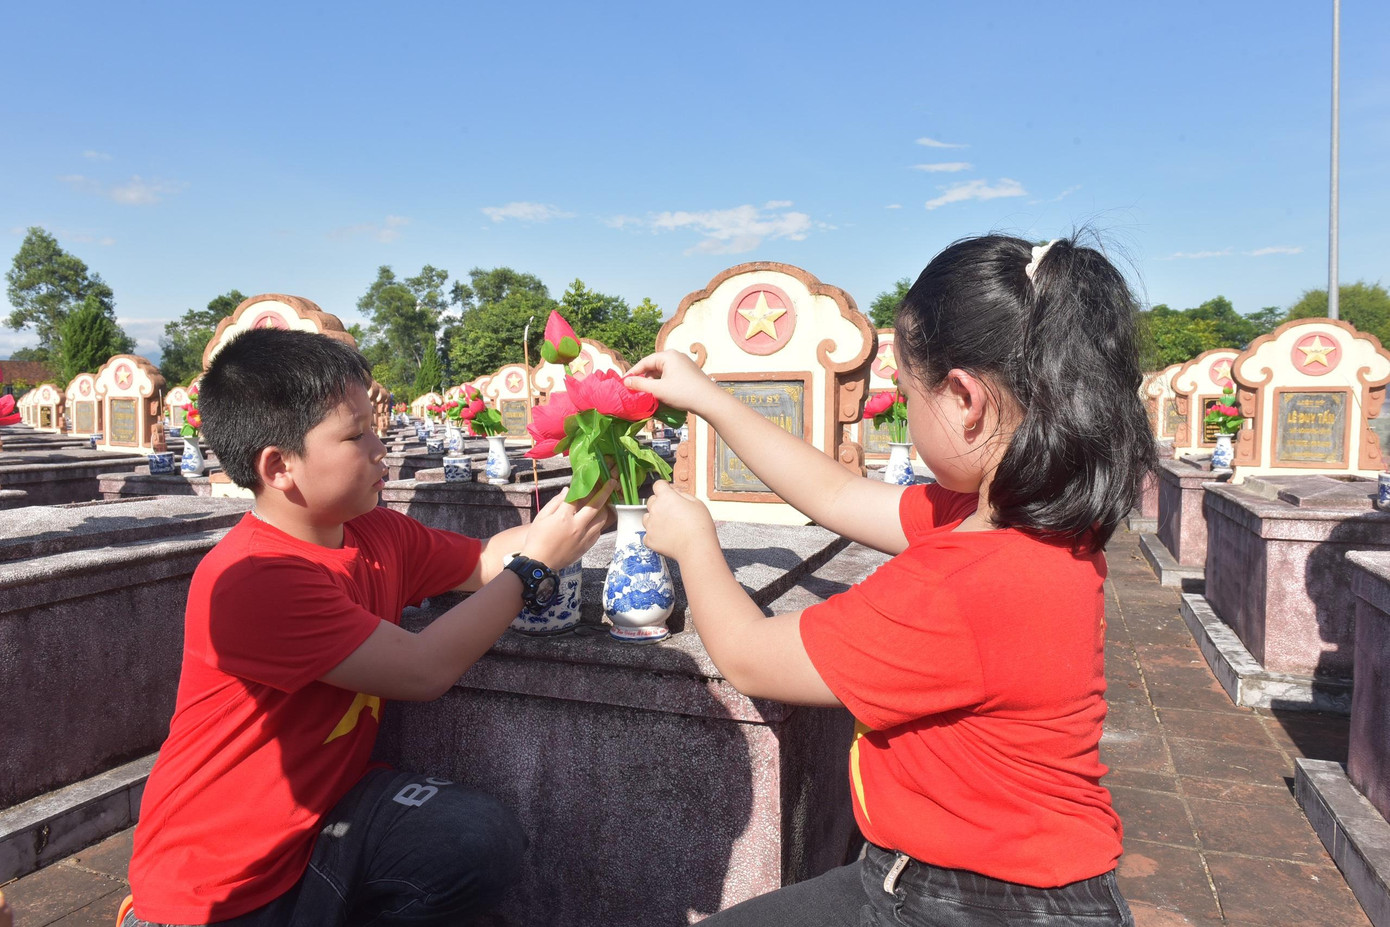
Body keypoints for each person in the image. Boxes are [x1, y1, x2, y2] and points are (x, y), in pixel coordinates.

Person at [627, 234, 1152, 926]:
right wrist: (712, 402)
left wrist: (694, 543)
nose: (902, 406)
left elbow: (750, 654)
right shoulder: (1031, 524)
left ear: (964, 397)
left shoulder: (961, 584)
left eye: (907, 390)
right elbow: (838, 496)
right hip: (1040, 884)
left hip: (966, 901)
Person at [124, 328, 614, 927]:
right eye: (356, 435)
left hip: (320, 823)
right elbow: (423, 668)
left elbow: (485, 560)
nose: (380, 447)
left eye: (373, 425)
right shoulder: (254, 577)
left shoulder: (376, 532)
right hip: (217, 881)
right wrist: (536, 568)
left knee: (473, 839)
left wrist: (585, 505)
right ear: (278, 466)